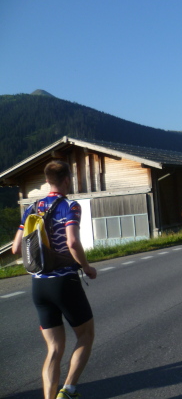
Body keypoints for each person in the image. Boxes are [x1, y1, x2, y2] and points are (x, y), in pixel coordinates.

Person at [11, 160, 97, 399]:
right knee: (86, 335)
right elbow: (72, 242)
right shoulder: (70, 206)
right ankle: (68, 390)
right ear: (67, 180)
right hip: (64, 281)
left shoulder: (32, 207)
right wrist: (87, 267)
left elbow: (16, 248)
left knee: (54, 348)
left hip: (39, 285)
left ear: (47, 180)